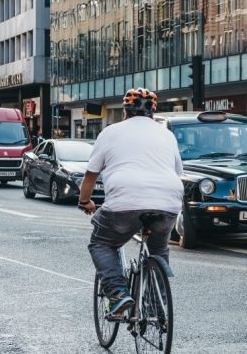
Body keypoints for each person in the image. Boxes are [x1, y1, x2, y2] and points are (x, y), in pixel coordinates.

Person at [78, 87, 184, 319]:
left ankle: (117, 294)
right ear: (153, 113)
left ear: (125, 112)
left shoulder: (110, 132)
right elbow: (178, 171)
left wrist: (85, 201)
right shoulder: (167, 134)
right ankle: (157, 310)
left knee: (102, 243)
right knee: (158, 249)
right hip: (169, 200)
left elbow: (90, 175)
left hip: (125, 201)